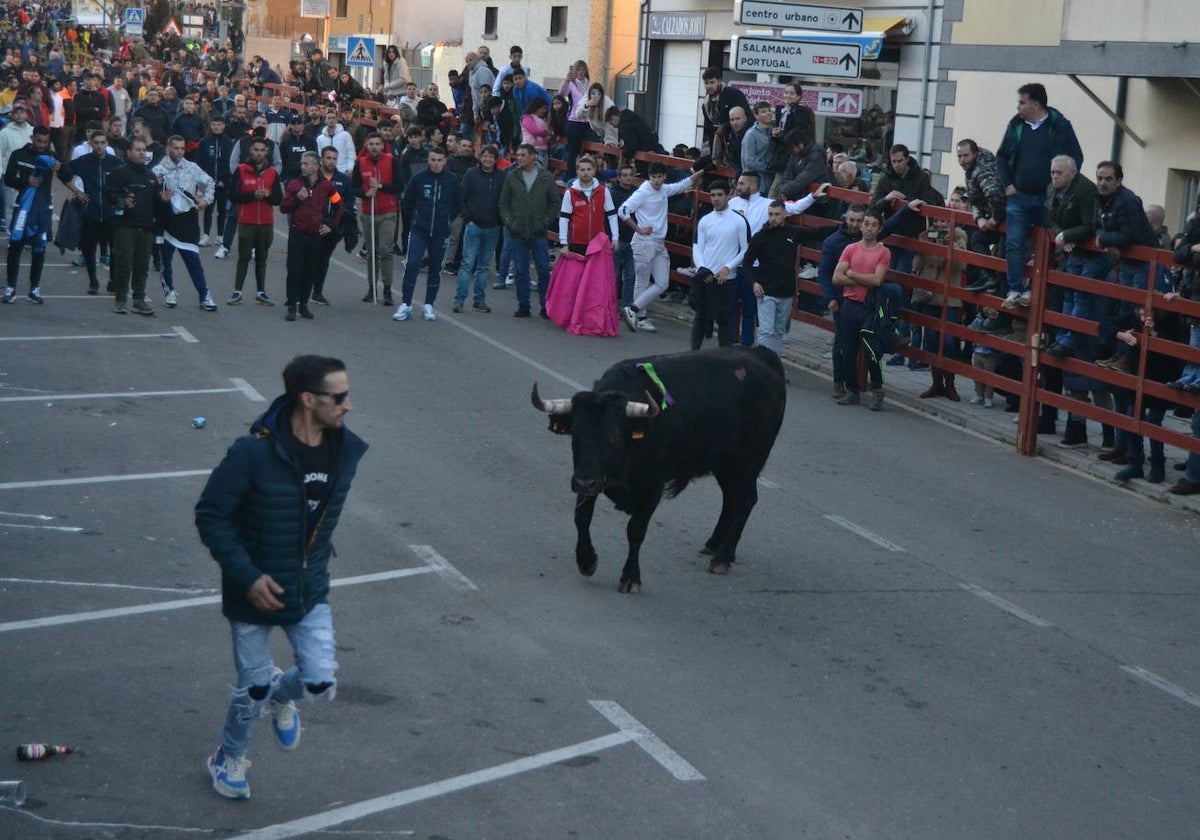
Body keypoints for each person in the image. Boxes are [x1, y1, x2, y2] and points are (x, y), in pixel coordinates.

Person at [195, 354, 368, 801]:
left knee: (320, 684)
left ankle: (280, 693)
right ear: (309, 399)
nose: (348, 405)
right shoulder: (253, 452)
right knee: (250, 687)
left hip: (309, 586)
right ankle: (228, 758)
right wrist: (247, 575)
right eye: (340, 396)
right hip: (252, 589)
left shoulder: (345, 450)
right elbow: (211, 515)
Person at [995, 82, 1083, 305]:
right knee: (1013, 244)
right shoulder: (1016, 125)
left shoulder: (1059, 126)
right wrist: (1008, 186)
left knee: (1054, 243)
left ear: (1036, 104)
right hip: (1019, 196)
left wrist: (1063, 187)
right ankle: (1015, 289)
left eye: (1022, 102)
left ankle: (1042, 293)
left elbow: (1076, 157)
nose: (1018, 107)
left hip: (1049, 199)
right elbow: (1001, 156)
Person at [618, 161, 703, 332]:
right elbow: (623, 211)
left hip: (658, 243)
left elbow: (682, 185)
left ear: (664, 176)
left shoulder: (664, 189)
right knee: (642, 281)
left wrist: (701, 171)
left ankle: (632, 310)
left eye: (659, 177)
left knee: (662, 283)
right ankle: (640, 317)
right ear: (649, 177)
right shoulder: (643, 192)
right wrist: (639, 229)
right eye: (653, 177)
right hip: (644, 242)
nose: (657, 180)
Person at [4, 126, 78, 305]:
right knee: (15, 246)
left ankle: (34, 288)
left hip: (43, 209)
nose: (41, 145)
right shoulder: (18, 154)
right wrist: (26, 181)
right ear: (32, 137)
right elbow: (8, 178)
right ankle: (10, 287)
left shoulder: (52, 156)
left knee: (39, 248)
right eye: (38, 141)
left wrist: (61, 167)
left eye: (45, 142)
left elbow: (67, 176)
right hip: (22, 207)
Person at [1043, 154, 1101, 360]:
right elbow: (1048, 217)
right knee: (1067, 293)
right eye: (1052, 172)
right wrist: (1061, 235)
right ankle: (1062, 337)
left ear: (1073, 173)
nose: (1054, 177)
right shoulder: (1051, 188)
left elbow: (1089, 225)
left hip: (1090, 252)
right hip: (1070, 250)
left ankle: (1069, 339)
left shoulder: (1085, 191)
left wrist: (1066, 235)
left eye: (1059, 173)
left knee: (1080, 295)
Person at [393, 145, 461, 322]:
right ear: (428, 160)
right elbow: (407, 203)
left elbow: (457, 205)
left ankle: (429, 304)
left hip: (440, 233)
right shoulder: (418, 178)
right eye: (433, 160)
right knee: (412, 264)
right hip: (419, 230)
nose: (436, 163)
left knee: (436, 268)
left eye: (439, 160)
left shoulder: (452, 181)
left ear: (445, 161)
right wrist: (415, 221)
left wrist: (446, 220)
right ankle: (406, 304)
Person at [833, 209, 892, 410]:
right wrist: (860, 279)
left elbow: (877, 280)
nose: (868, 228)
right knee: (847, 350)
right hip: (850, 304)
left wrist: (851, 274)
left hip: (870, 307)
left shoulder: (883, 252)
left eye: (873, 225)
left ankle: (877, 389)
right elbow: (836, 277)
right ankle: (852, 390)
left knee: (871, 351)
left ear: (879, 228)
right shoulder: (850, 248)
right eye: (866, 223)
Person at [154, 135, 218, 311]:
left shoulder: (192, 167)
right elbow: (150, 194)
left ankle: (204, 294)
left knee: (193, 261)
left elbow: (209, 183)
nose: (180, 151)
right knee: (165, 260)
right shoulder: (158, 170)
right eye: (176, 148)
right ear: (168, 149)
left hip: (187, 220)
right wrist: (160, 197)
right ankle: (170, 292)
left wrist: (206, 200)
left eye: (182, 148)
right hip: (166, 221)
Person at [1091, 160, 1160, 322]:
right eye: (1099, 178)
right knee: (1125, 305)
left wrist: (1103, 239)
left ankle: (1132, 346)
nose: (1102, 183)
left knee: (1138, 308)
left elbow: (1130, 236)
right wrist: (1105, 239)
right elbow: (1096, 225)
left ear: (1118, 181)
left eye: (1108, 179)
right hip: (1126, 259)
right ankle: (1123, 345)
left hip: (1142, 260)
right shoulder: (1101, 197)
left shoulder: (1126, 200)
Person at [280, 152, 344, 321]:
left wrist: (330, 225)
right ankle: (292, 305)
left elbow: (339, 205)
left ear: (316, 166)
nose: (303, 166)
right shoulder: (294, 185)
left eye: (306, 163)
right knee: (294, 270)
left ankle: (304, 305)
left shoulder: (326, 186)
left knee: (310, 270)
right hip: (297, 232)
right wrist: (296, 199)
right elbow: (284, 207)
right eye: (302, 163)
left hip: (316, 234)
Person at [499, 143, 558, 318]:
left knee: (542, 269)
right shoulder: (512, 177)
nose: (519, 158)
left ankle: (545, 305)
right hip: (517, 231)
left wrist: (545, 221)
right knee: (521, 270)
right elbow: (503, 203)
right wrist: (510, 222)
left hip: (538, 231)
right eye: (518, 155)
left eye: (523, 155)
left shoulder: (546, 177)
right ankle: (523, 304)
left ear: (533, 157)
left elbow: (554, 203)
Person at [688, 180, 748, 350]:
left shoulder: (739, 221)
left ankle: (724, 357)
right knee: (700, 316)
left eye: (719, 195)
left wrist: (728, 267)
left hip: (727, 279)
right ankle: (694, 353)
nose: (715, 199)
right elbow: (697, 247)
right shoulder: (705, 220)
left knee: (724, 319)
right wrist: (703, 269)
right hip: (706, 277)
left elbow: (745, 249)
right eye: (712, 195)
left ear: (728, 195)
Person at [104, 137, 159, 315]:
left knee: (142, 265)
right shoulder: (119, 172)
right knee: (124, 262)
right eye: (137, 149)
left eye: (144, 149)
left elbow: (155, 202)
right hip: (125, 225)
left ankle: (139, 298)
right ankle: (120, 299)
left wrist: (163, 201)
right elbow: (109, 194)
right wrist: (122, 200)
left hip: (146, 226)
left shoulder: (151, 175)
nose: (142, 152)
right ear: (128, 153)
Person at [228, 137, 282, 306]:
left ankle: (261, 292)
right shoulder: (241, 170)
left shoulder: (272, 172)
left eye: (262, 150)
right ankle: (237, 292)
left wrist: (268, 195)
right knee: (243, 257)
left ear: (267, 152)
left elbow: (278, 199)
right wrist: (252, 195)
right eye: (256, 150)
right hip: (247, 221)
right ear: (250, 151)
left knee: (261, 258)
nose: (259, 153)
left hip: (266, 222)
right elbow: (233, 195)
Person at [353, 133, 403, 306]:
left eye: (377, 144)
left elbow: (399, 186)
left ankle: (387, 289)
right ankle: (371, 287)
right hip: (368, 211)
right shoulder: (360, 163)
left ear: (383, 146)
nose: (374, 147)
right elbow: (354, 187)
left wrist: (380, 186)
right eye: (371, 144)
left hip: (388, 211)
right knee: (372, 251)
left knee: (385, 250)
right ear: (367, 146)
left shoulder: (392, 161)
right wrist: (365, 193)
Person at [70, 131, 121, 294]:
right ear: (90, 143)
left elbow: (124, 182)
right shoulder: (83, 162)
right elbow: (63, 173)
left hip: (110, 213)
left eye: (102, 142)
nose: (99, 146)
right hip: (90, 212)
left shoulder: (115, 162)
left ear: (107, 144)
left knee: (115, 249)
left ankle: (113, 279)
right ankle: (93, 281)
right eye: (96, 142)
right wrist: (77, 192)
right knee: (89, 249)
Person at [956, 138, 1006, 294]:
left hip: (1007, 219)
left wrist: (994, 219)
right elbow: (974, 199)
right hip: (996, 218)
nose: (962, 160)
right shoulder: (972, 170)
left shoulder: (981, 170)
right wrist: (979, 217)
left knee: (1005, 260)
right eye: (959, 156)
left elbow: (995, 195)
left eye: (966, 156)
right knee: (978, 239)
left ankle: (998, 294)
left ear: (975, 154)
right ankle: (988, 278)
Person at [313, 145, 356, 306]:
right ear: (321, 158)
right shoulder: (314, 177)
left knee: (324, 259)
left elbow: (348, 204)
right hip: (313, 226)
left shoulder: (343, 180)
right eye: (328, 158)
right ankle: (302, 290)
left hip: (332, 227)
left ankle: (317, 292)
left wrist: (333, 224)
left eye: (334, 158)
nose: (331, 161)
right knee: (310, 259)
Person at [557, 154, 617, 255]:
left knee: (597, 271)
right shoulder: (571, 193)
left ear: (594, 171)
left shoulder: (604, 191)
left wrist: (615, 237)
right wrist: (563, 243)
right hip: (576, 242)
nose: (586, 173)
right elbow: (564, 218)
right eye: (582, 170)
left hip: (598, 242)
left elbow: (612, 215)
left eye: (589, 169)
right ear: (577, 172)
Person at [196, 114, 235, 246]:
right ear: (211, 126)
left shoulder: (229, 143)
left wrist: (224, 179)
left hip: (223, 184)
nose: (216, 127)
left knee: (222, 210)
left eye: (219, 124)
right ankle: (206, 234)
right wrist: (204, 182)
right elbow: (200, 163)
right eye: (214, 124)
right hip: (208, 183)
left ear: (223, 126)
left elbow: (231, 164)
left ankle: (220, 235)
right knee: (208, 210)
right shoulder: (204, 142)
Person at [608, 163, 638, 311]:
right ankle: (612, 305)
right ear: (619, 177)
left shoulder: (637, 193)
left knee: (631, 276)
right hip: (617, 240)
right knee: (615, 276)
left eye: (630, 175)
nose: (628, 178)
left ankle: (626, 307)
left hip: (633, 240)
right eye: (625, 175)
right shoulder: (612, 194)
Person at [315, 110, 355, 175]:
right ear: (325, 120)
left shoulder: (345, 135)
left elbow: (351, 153)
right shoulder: (320, 139)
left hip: (344, 171)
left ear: (336, 120)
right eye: (329, 118)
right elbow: (321, 156)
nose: (331, 120)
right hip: (327, 173)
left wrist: (350, 168)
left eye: (333, 118)